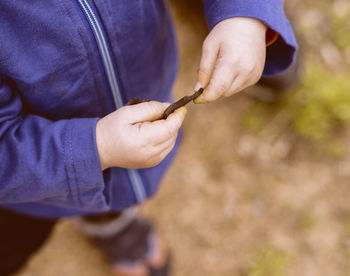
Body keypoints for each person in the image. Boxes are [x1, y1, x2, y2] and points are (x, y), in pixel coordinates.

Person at [0, 1, 297, 275]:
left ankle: (109, 217)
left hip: (143, 73)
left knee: (121, 174)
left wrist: (245, 12)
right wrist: (95, 149)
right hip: (23, 194)